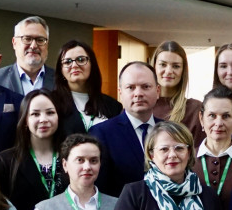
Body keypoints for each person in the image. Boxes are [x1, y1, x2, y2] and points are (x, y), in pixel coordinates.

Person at [91, 61, 160, 196]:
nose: (138, 93)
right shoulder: (101, 133)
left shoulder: (169, 131)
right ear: (120, 92)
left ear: (157, 91)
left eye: (146, 87)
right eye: (131, 87)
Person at [54, 39, 122, 133]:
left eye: (81, 60)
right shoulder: (52, 102)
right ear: (61, 70)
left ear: (92, 65)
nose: (74, 65)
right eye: (67, 62)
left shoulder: (112, 105)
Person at [151, 40, 204, 145]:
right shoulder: (141, 107)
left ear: (183, 71)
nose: (169, 71)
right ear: (154, 67)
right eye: (163, 64)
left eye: (176, 66)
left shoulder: (195, 109)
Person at [0, 16, 55, 95]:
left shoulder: (61, 81)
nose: (33, 46)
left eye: (40, 40)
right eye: (27, 39)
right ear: (14, 43)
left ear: (47, 45)